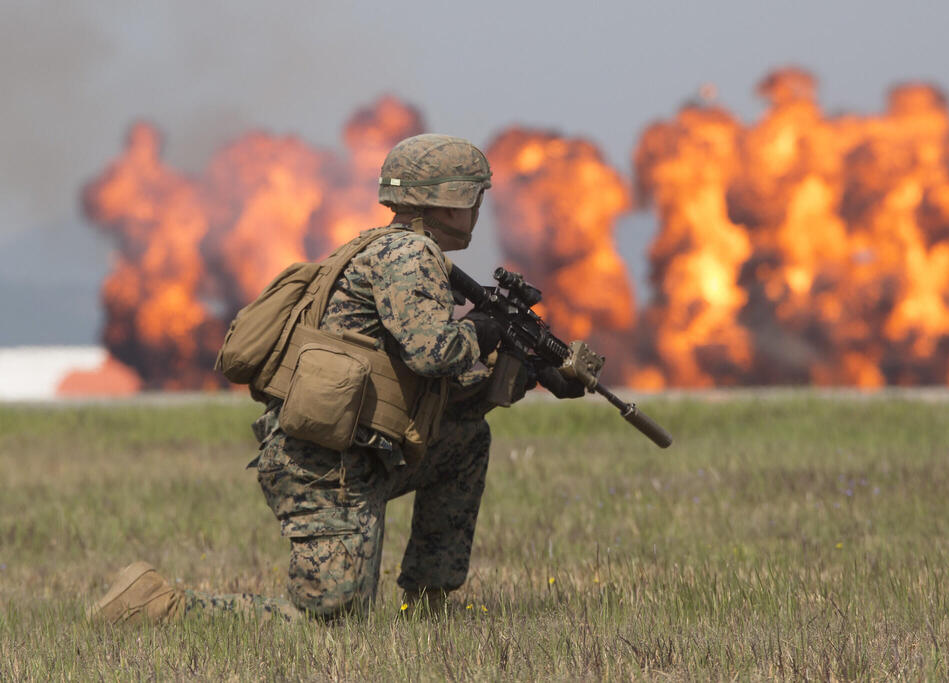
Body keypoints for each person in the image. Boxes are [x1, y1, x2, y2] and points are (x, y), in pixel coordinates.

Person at [91, 133, 582, 624]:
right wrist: (482, 330)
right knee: (329, 623)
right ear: (448, 201)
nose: (478, 210)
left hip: (361, 452)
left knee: (465, 441)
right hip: (324, 468)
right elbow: (434, 354)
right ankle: (156, 606)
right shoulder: (410, 257)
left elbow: (436, 396)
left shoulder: (390, 249)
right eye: (474, 197)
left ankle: (430, 607)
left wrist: (530, 374)